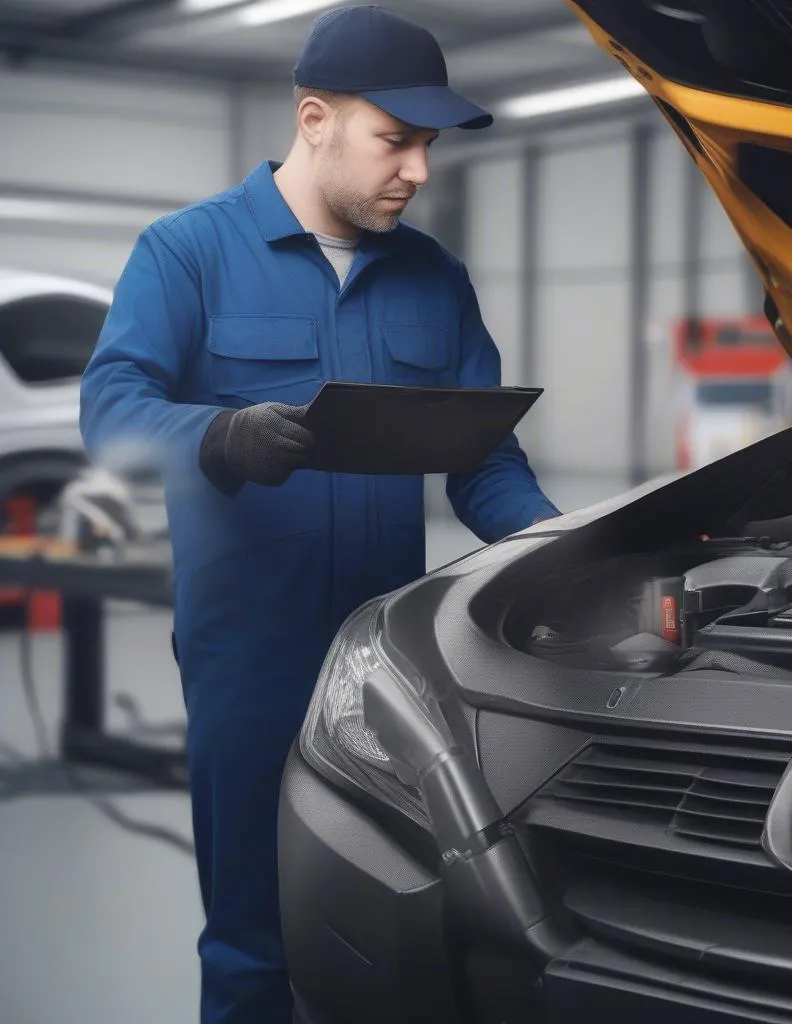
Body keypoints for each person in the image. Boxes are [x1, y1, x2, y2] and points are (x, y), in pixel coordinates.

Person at [78, 6, 560, 1022]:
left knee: (397, 922)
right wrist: (217, 436)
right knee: (254, 935)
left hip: (398, 667)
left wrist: (559, 546)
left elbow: (484, 462)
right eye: (396, 140)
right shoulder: (187, 253)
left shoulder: (436, 278)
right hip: (250, 654)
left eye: (427, 146)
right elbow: (110, 409)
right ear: (314, 118)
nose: (418, 171)